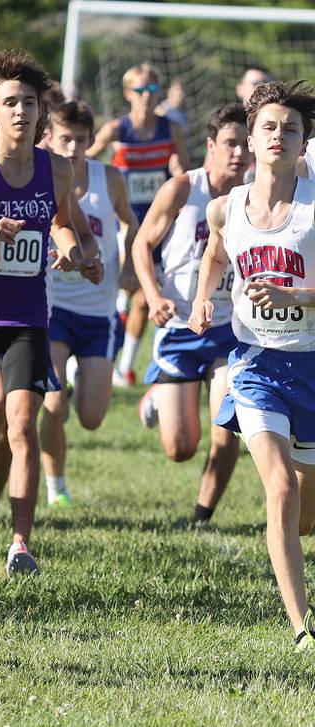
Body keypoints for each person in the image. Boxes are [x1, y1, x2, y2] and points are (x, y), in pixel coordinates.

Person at [0, 52, 102, 574]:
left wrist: (79, 253)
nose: (20, 111)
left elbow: (66, 222)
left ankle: (20, 545)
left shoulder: (56, 167)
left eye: (29, 103)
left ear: (41, 113)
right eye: (9, 102)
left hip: (28, 319)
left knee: (21, 423)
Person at [188, 80, 315, 651]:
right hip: (256, 364)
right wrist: (201, 295)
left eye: (291, 129)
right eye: (270, 126)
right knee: (280, 489)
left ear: (303, 142)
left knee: (306, 515)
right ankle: (301, 629)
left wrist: (297, 298)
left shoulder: (314, 211)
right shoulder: (226, 206)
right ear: (254, 133)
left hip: (311, 365)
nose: (279, 136)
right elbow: (216, 252)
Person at [134, 103, 251, 526]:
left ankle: (202, 516)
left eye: (245, 145)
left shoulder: (255, 196)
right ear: (211, 146)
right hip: (181, 326)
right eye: (230, 144)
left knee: (227, 431)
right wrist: (152, 295)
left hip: (230, 329)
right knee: (180, 448)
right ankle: (158, 396)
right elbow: (142, 244)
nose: (238, 153)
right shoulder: (183, 189)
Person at [40, 100, 138, 507]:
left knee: (92, 418)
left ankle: (81, 376)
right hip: (55, 306)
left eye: (81, 139)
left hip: (98, 310)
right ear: (49, 137)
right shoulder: (40, 176)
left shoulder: (108, 178)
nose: (74, 147)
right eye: (66, 138)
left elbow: (132, 222)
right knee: (53, 403)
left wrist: (130, 265)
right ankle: (56, 485)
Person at [88, 63, 190, 386]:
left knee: (145, 297)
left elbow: (186, 174)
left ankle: (125, 367)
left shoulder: (170, 129)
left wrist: (176, 169)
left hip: (161, 224)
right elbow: (83, 160)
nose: (147, 98)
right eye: (140, 91)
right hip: (125, 223)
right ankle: (97, 358)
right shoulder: (117, 130)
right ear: (128, 93)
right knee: (127, 290)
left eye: (152, 91)